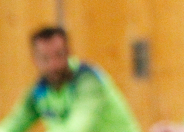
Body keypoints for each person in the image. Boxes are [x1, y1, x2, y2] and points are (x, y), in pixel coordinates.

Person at [0, 26, 140, 132]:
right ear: (34, 60)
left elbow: (77, 127)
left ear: (69, 52)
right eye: (45, 59)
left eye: (59, 55)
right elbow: (14, 123)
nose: (53, 64)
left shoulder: (88, 81)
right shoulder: (39, 91)